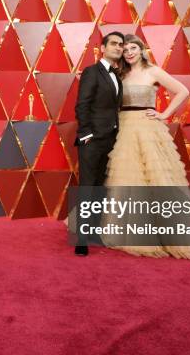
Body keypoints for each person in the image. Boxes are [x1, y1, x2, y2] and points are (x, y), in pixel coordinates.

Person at [101, 34, 190, 261]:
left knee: (156, 178)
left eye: (133, 48)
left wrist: (165, 114)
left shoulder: (153, 71)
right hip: (124, 129)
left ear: (141, 49)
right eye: (125, 49)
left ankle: (167, 233)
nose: (129, 53)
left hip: (148, 128)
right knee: (129, 179)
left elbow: (183, 91)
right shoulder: (121, 74)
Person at [72, 31, 124, 256]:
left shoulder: (117, 76)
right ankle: (81, 239)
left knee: (101, 189)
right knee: (87, 187)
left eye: (121, 44)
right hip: (92, 140)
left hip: (110, 140)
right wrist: (86, 135)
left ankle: (93, 232)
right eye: (113, 43)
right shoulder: (92, 72)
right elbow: (82, 105)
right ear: (102, 48)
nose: (119, 47)